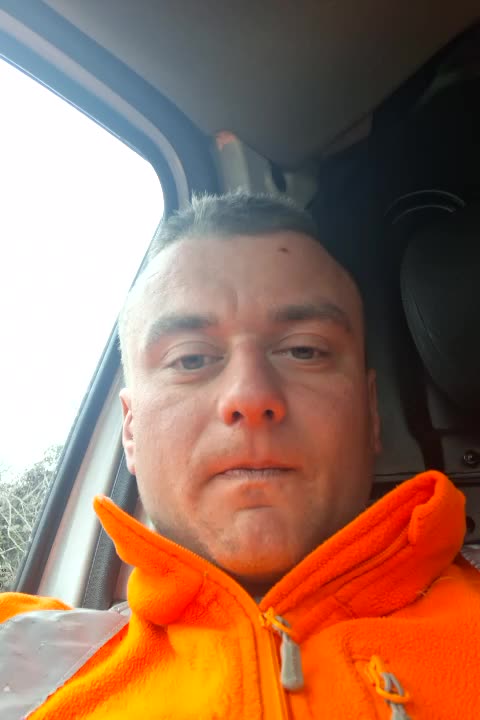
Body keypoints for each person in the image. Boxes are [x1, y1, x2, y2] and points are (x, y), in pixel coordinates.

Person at [1, 192, 479, 720]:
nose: (251, 397)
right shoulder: (21, 664)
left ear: (371, 414)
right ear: (130, 430)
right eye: (191, 359)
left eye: (304, 350)